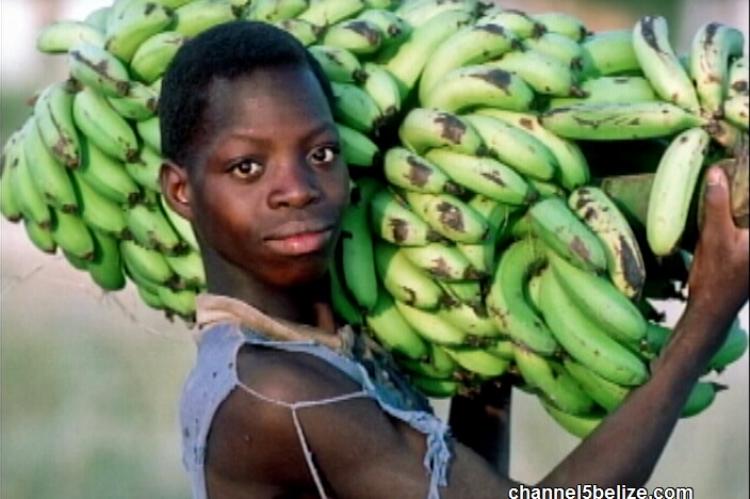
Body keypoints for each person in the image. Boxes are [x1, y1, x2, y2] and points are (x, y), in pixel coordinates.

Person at [159, 21, 749, 499]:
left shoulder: (319, 350)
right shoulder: (279, 393)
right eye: (247, 167)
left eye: (320, 152)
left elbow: (466, 487)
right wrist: (704, 321)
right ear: (180, 191)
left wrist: (488, 359)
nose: (298, 189)